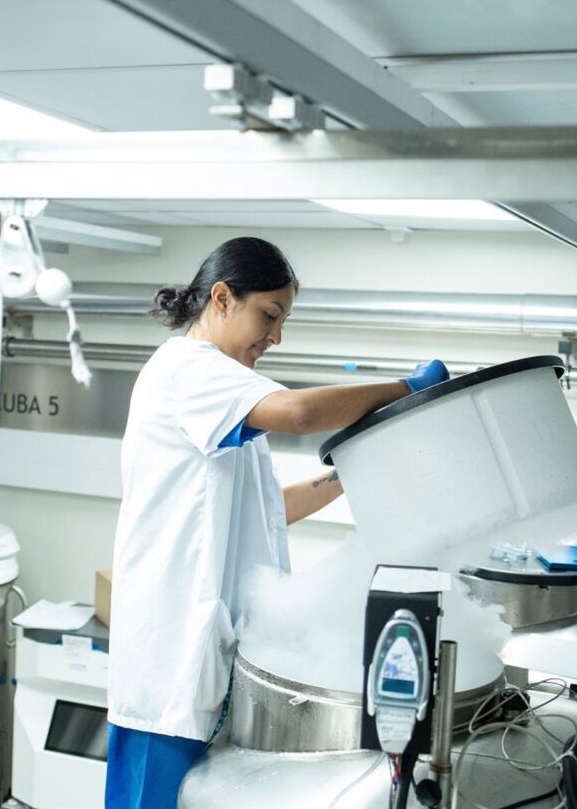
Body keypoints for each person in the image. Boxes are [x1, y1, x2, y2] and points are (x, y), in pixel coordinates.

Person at [104, 237, 448, 808]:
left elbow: (269, 513)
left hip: (207, 663)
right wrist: (405, 390)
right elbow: (300, 413)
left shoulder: (219, 392)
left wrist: (350, 473)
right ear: (221, 298)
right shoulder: (189, 369)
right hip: (167, 669)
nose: (275, 336)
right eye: (269, 315)